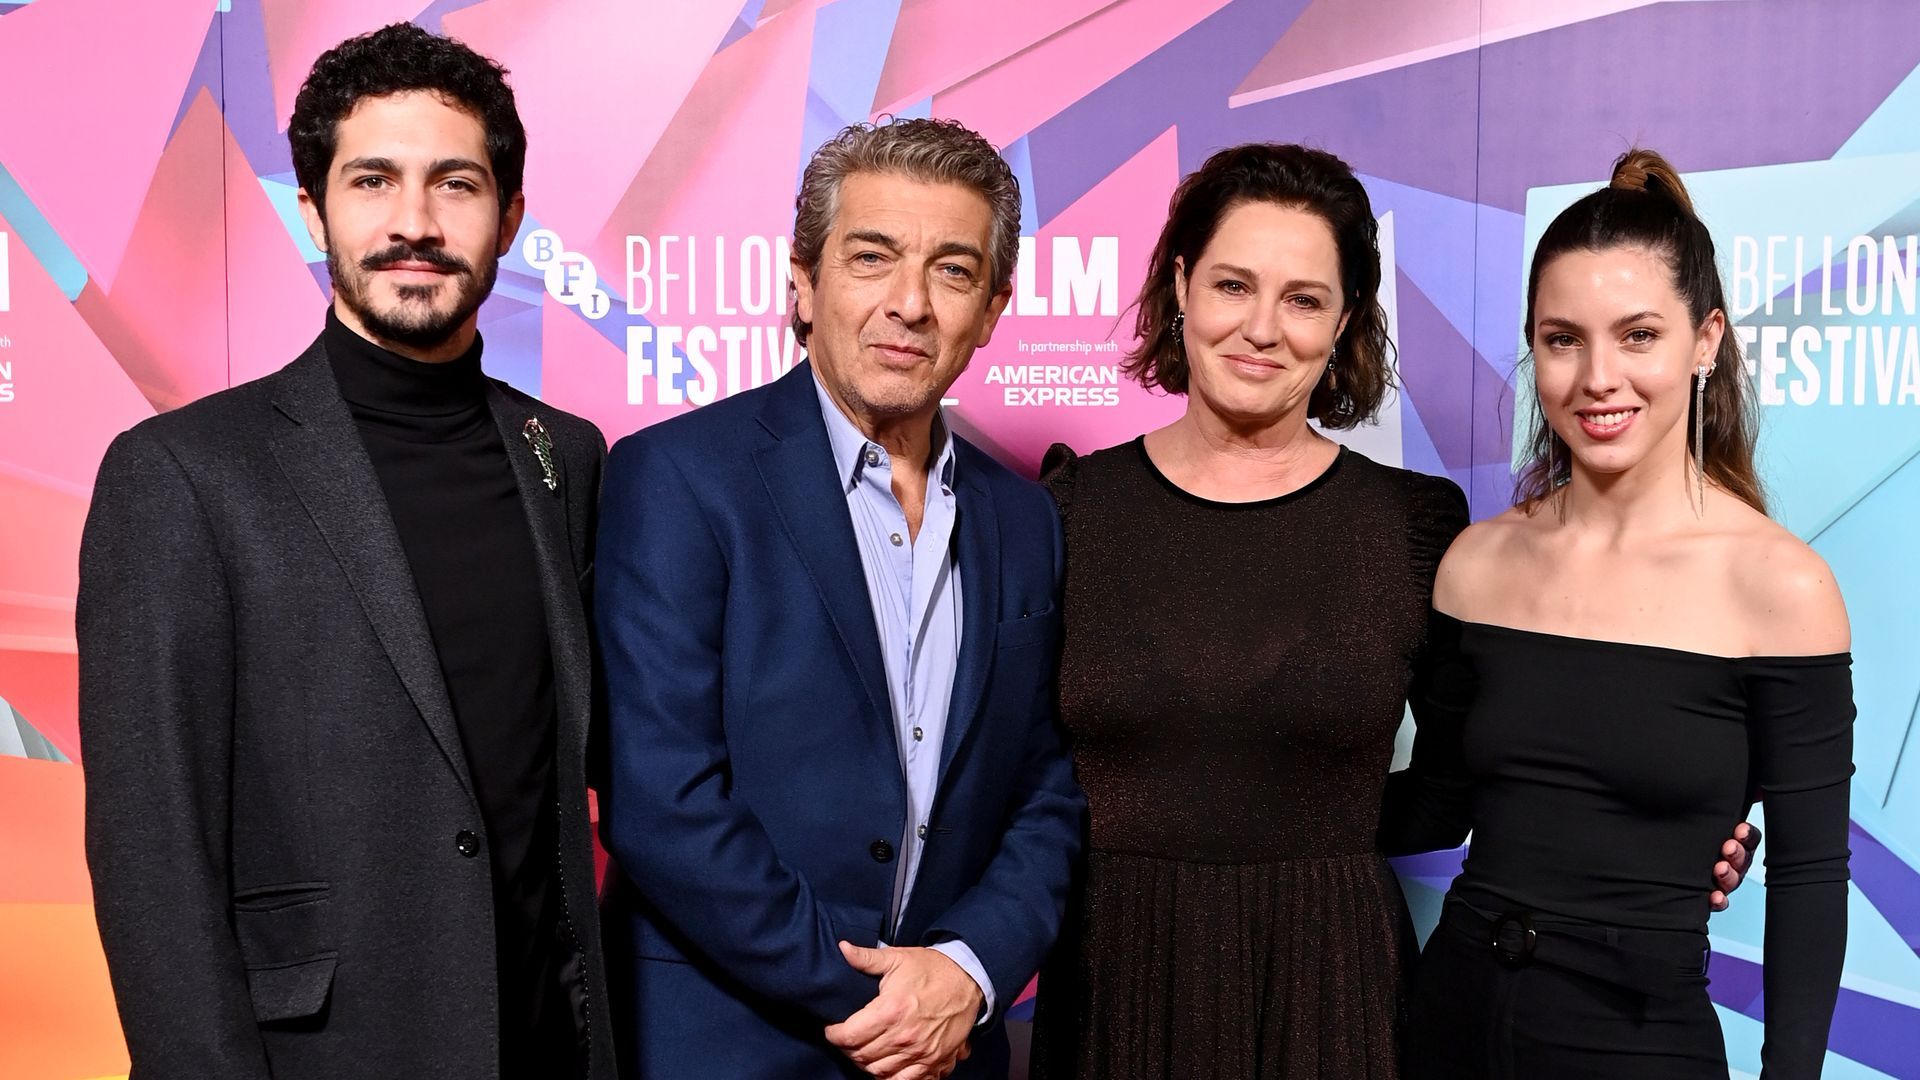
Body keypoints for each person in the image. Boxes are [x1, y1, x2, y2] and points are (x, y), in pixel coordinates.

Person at [1029, 143, 1758, 1080]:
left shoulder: (1411, 527)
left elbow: (1481, 771)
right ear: (1181, 285)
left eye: (1303, 299)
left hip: (1331, 985)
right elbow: (1005, 783)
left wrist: (1664, 825)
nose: (1261, 328)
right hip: (1113, 981)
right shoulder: (1067, 513)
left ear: (1344, 322)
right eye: (1232, 285)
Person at [77, 24, 615, 1080]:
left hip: (551, 1045)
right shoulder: (181, 474)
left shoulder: (569, 457)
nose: (414, 224)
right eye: (373, 181)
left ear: (508, 218)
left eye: (455, 185)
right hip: (325, 1053)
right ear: (313, 208)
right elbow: (153, 857)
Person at [593, 118, 1085, 1079]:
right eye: (872, 258)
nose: (908, 303)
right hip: (727, 1041)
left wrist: (968, 971)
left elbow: (1045, 790)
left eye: (951, 271)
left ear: (991, 310)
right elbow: (662, 798)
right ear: (803, 282)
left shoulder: (1025, 521)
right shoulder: (678, 479)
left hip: (952, 1045)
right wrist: (880, 1003)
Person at [1403, 149, 1853, 1079]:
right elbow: (1436, 808)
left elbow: (1809, 881)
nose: (1598, 377)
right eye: (1563, 339)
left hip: (1640, 1044)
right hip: (1448, 1025)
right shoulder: (1476, 563)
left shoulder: (1782, 587)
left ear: (1706, 341)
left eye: (1638, 334)